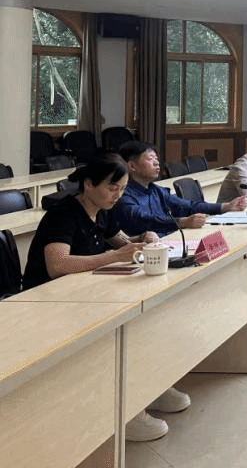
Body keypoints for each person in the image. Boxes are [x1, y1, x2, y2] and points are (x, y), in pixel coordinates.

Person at [21, 154, 189, 442]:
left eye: (122, 189)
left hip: (85, 293)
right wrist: (113, 256)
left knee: (149, 318)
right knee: (124, 330)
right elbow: (57, 265)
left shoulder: (102, 210)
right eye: (112, 188)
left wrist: (141, 240)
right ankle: (125, 411)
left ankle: (151, 388)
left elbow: (120, 242)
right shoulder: (64, 213)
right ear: (89, 184)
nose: (117, 195)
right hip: (50, 302)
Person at [112, 141, 247, 236]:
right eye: (150, 159)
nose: (157, 162)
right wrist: (181, 222)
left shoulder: (157, 190)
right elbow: (143, 219)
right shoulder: (122, 195)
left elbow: (188, 206)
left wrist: (225, 207)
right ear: (132, 166)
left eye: (156, 158)